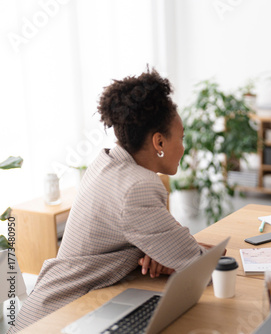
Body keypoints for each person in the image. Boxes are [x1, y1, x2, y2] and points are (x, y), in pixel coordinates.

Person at [10, 68, 212, 332]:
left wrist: (157, 250)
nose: (184, 147)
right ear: (159, 142)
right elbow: (197, 265)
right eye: (181, 138)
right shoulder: (138, 187)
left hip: (60, 306)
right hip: (57, 319)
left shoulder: (107, 161)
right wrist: (184, 254)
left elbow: (164, 244)